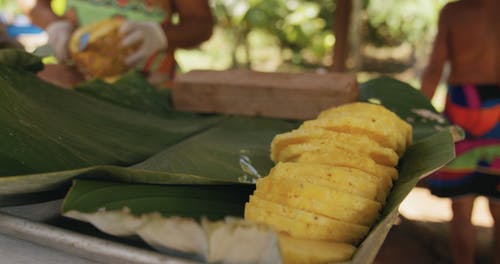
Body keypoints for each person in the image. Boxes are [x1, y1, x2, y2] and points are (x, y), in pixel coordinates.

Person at [420, 0, 499, 263]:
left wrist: (416, 118)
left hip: (462, 108)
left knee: (462, 204)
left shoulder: (454, 12)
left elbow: (434, 70)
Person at [17, 0, 214, 88]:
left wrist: (159, 36)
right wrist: (54, 24)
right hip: (74, 77)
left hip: (150, 88)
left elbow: (201, 23)